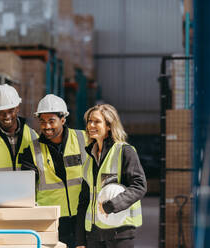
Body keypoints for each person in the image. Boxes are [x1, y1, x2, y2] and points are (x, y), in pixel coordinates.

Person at [20, 94, 89, 248]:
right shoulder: (32, 150)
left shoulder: (83, 140)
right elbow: (26, 188)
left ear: (63, 120)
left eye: (52, 121)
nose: (47, 126)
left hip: (83, 217)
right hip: (52, 220)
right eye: (42, 121)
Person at [75, 104, 147, 248]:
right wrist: (80, 240)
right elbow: (84, 200)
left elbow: (139, 186)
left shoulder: (124, 151)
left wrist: (112, 205)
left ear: (109, 125)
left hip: (119, 232)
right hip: (94, 233)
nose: (91, 125)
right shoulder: (89, 158)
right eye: (89, 121)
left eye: (97, 121)